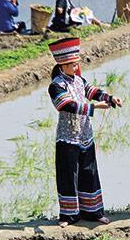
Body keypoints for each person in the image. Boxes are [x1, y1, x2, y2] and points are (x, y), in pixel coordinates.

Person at [47, 37, 122, 227]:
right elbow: (66, 105)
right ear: (63, 65)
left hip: (85, 134)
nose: (77, 66)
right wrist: (95, 107)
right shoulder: (56, 85)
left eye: (77, 63)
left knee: (89, 172)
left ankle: (93, 213)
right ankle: (68, 216)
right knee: (68, 175)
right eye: (73, 64)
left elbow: (93, 91)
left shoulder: (79, 80)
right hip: (68, 137)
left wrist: (110, 98)